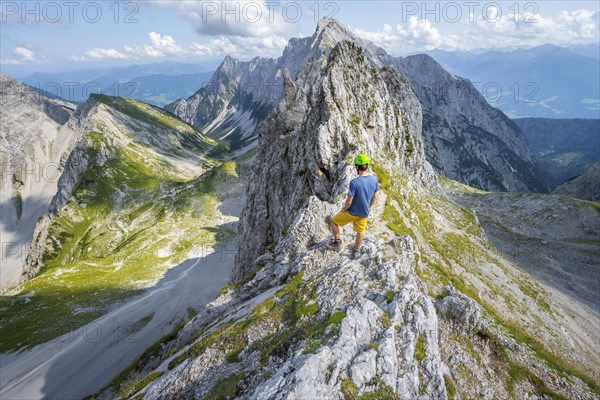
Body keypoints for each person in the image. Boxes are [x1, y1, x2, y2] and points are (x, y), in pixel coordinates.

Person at [329, 154, 379, 258]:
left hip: (352, 212)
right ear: (367, 166)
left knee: (333, 221)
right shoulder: (374, 180)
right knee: (360, 232)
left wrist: (343, 210)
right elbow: (375, 197)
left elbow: (349, 202)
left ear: (357, 167)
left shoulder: (354, 182)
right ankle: (356, 251)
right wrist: (368, 208)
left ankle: (337, 242)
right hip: (364, 213)